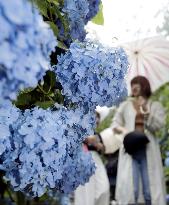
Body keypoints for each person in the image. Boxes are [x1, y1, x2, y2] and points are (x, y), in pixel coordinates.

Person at [111, 76, 166, 205]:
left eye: (137, 84)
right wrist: (126, 132)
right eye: (132, 84)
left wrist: (146, 112)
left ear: (144, 85)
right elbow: (115, 125)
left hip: (148, 149)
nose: (134, 87)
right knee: (132, 188)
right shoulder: (125, 105)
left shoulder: (155, 105)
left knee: (149, 189)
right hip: (131, 149)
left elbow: (159, 126)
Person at [74, 112, 110, 205]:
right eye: (95, 117)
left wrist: (101, 146)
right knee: (85, 192)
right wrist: (92, 140)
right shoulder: (81, 130)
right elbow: (86, 139)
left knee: (104, 188)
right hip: (83, 158)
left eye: (98, 118)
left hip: (97, 161)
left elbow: (104, 149)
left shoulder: (98, 135)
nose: (96, 119)